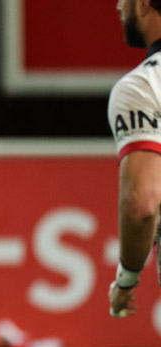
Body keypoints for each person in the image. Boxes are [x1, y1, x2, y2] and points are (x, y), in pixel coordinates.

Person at [108, 0, 161, 318]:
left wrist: (126, 280)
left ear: (143, 4)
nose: (118, 7)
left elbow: (142, 204)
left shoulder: (143, 86)